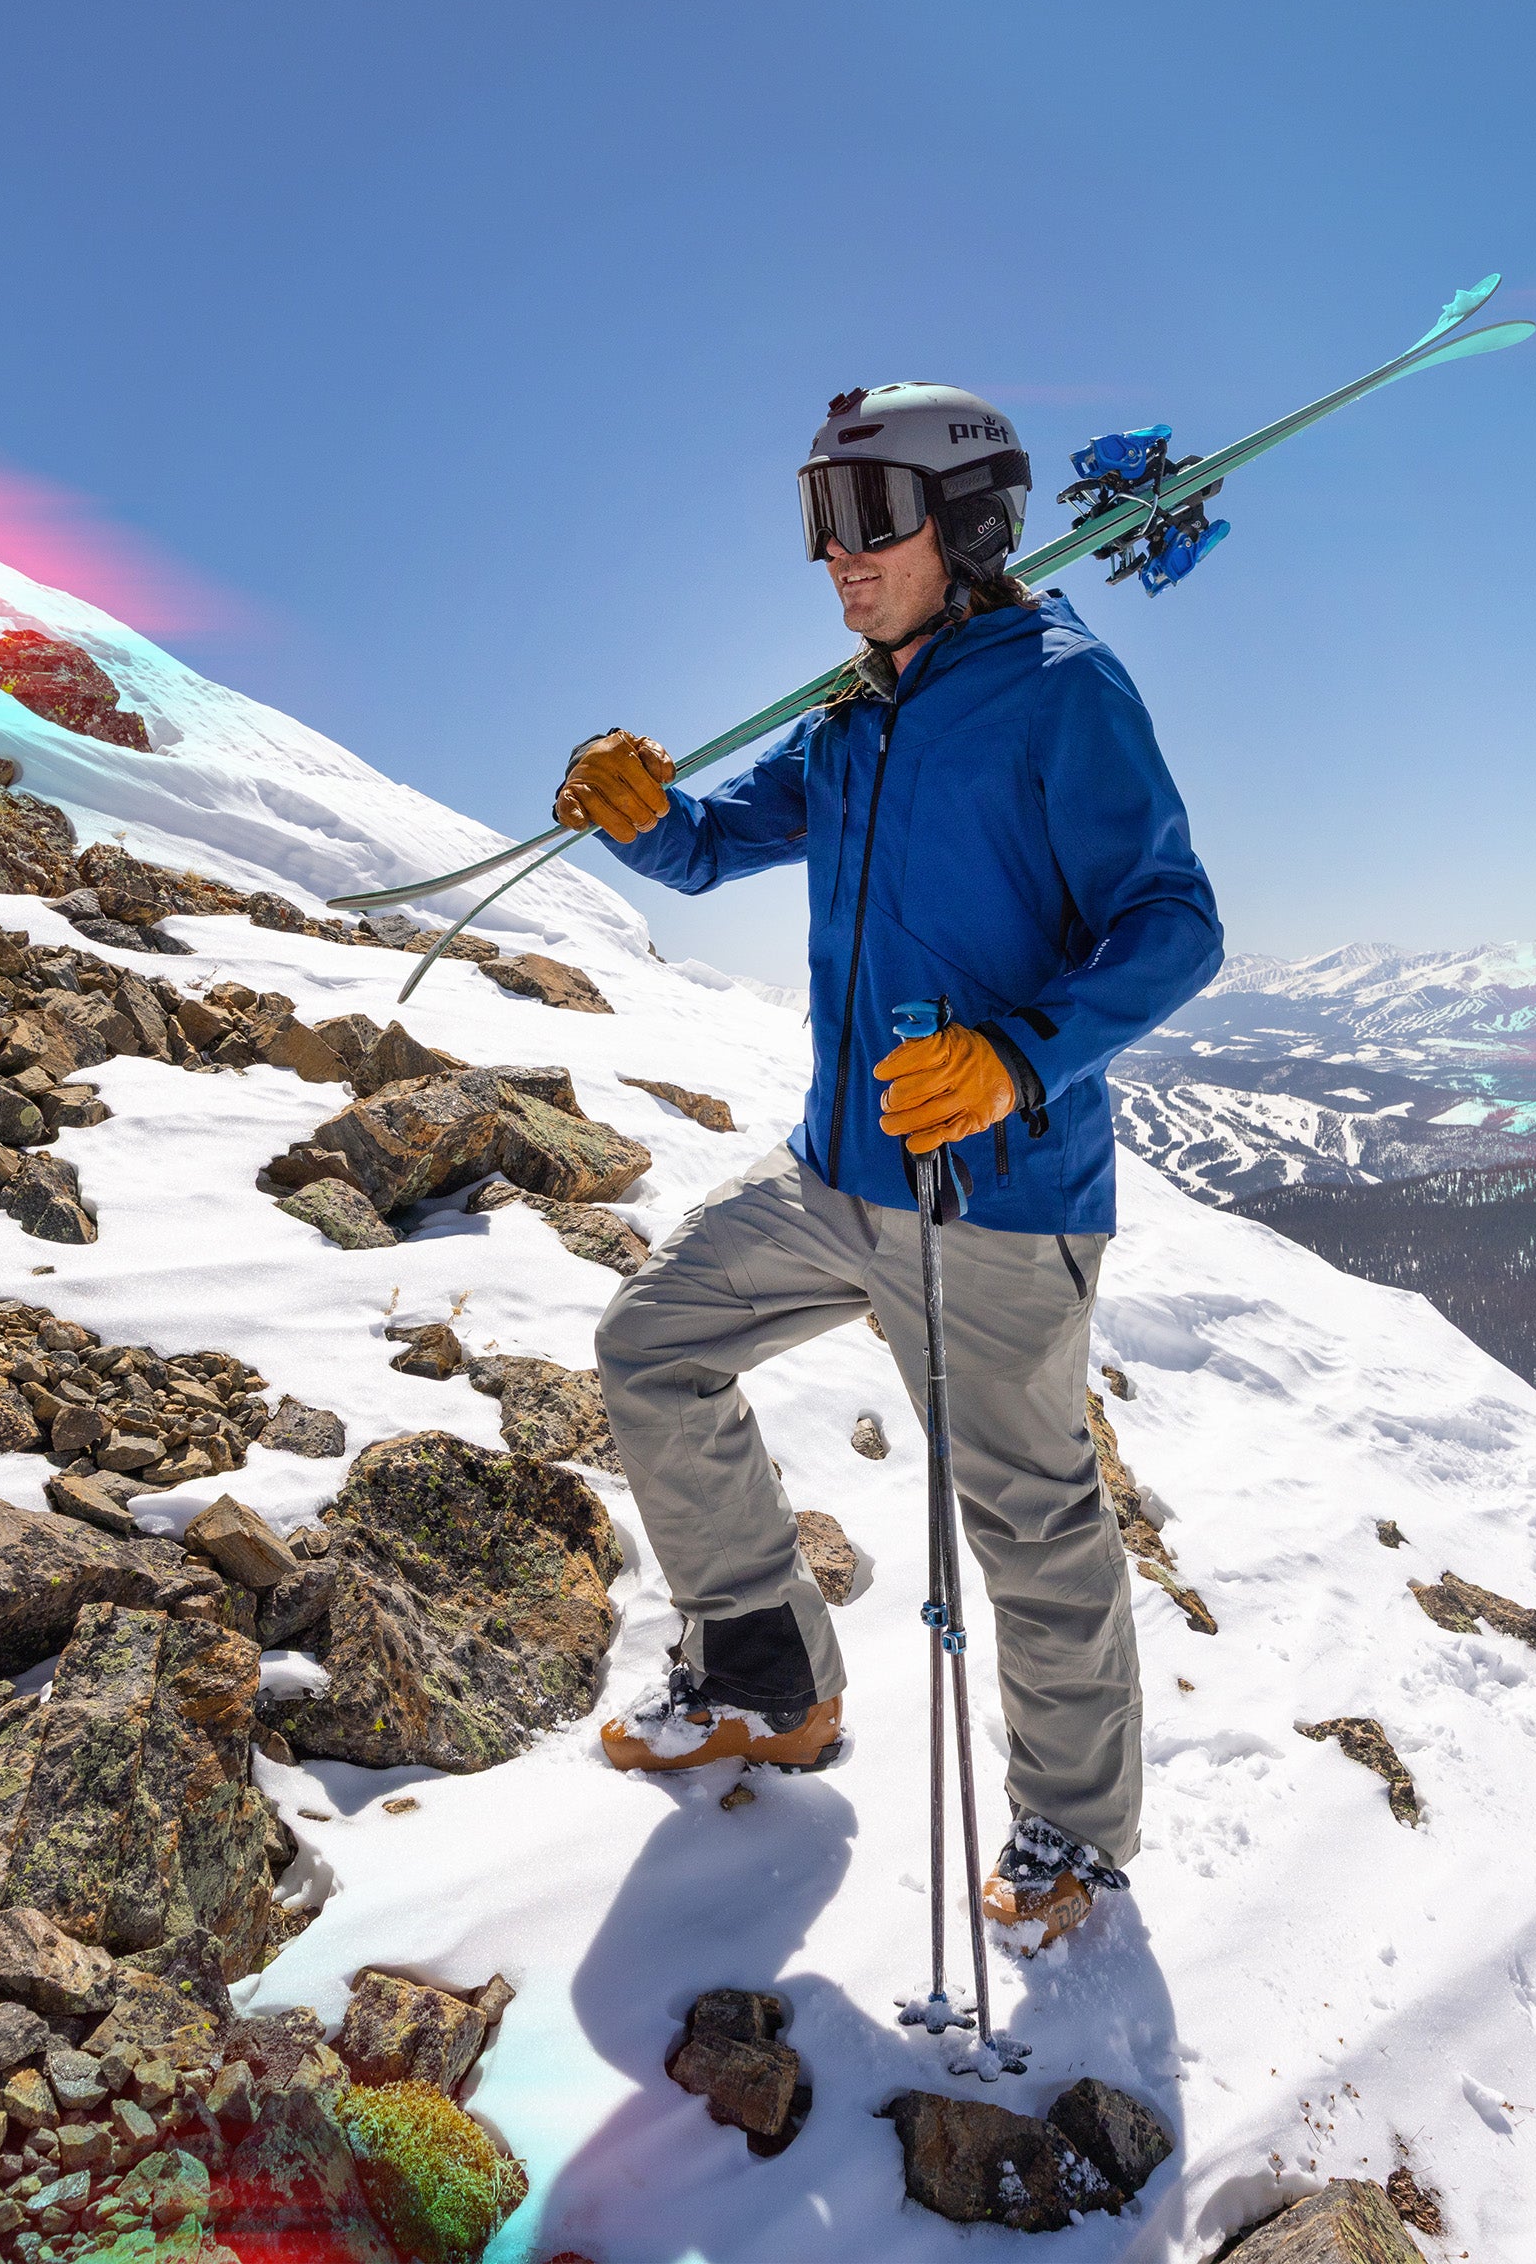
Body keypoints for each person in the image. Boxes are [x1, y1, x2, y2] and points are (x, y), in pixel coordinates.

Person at [559, 382, 1223, 1943]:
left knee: (1029, 1516)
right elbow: (724, 839)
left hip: (995, 1204)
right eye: (817, 519)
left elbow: (1175, 920)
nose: (833, 557)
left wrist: (1014, 1055)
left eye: (865, 518)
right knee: (653, 1348)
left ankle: (1073, 1833)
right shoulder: (858, 711)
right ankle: (764, 1674)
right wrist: (641, 814)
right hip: (836, 1175)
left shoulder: (1064, 692)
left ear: (971, 524)